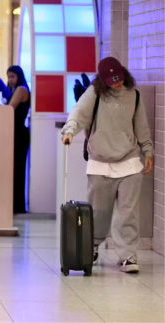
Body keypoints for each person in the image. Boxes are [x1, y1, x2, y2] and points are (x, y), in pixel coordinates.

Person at [61, 57, 154, 273]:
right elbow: (78, 113)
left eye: (120, 78)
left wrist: (147, 150)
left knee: (127, 212)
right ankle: (91, 247)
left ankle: (127, 256)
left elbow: (141, 126)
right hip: (100, 163)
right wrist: (69, 131)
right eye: (112, 80)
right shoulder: (94, 93)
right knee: (98, 213)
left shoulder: (134, 95)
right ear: (102, 80)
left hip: (129, 162)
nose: (118, 83)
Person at [7, 66, 31, 214]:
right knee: (16, 169)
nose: (10, 80)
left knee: (17, 169)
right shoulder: (16, 89)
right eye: (8, 77)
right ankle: (16, 205)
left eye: (12, 77)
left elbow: (10, 108)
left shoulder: (21, 89)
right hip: (16, 132)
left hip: (19, 134)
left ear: (19, 76)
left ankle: (18, 206)